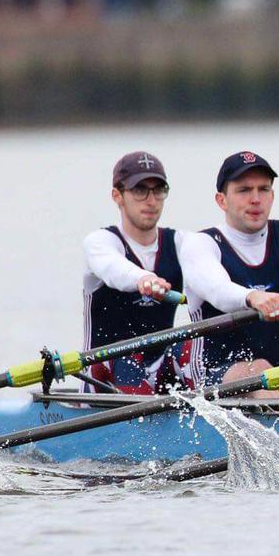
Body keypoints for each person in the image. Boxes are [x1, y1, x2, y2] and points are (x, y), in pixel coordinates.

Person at [180, 151, 279, 394]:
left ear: (272, 196)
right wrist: (252, 298)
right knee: (259, 370)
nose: (255, 199)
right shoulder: (200, 243)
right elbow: (217, 290)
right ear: (222, 200)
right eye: (243, 190)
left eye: (263, 189)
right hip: (212, 380)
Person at [80, 151, 186, 393]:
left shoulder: (181, 243)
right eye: (140, 190)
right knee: (127, 356)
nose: (151, 200)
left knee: (194, 343)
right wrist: (143, 278)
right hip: (104, 379)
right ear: (117, 196)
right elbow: (113, 268)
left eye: (158, 190)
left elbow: (211, 273)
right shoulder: (100, 242)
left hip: (159, 372)